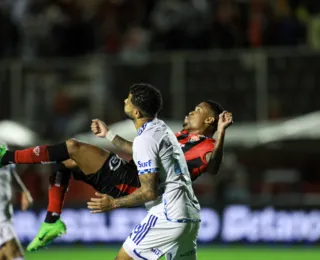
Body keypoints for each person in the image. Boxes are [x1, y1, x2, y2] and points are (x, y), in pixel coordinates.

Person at [0, 86, 233, 253]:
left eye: (197, 110)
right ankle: (52, 221)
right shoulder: (175, 135)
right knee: (66, 162)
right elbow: (141, 150)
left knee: (72, 148)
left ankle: (7, 157)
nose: (191, 111)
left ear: (210, 121)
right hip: (163, 199)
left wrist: (222, 131)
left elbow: (212, 166)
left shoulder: (207, 145)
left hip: (138, 186)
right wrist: (109, 135)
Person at [0, 143, 33, 260]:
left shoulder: (2, 146)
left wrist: (23, 190)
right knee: (15, 253)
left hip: (6, 211)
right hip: (1, 217)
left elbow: (10, 171)